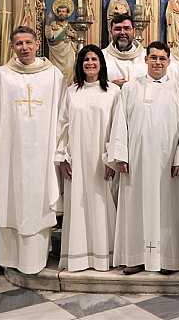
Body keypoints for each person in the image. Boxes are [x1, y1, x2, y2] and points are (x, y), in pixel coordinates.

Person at [0, 26, 65, 274]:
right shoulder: (1, 76)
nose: (24, 47)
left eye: (28, 42)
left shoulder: (54, 76)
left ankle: (37, 256)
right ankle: (12, 258)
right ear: (13, 47)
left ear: (38, 45)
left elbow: (61, 116)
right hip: (11, 155)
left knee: (38, 200)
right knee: (11, 198)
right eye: (19, 44)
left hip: (43, 154)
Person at [105, 41, 179, 275]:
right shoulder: (131, 88)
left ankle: (168, 259)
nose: (158, 62)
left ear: (169, 62)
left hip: (167, 162)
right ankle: (135, 257)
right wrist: (120, 155)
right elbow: (120, 122)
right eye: (153, 57)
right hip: (137, 162)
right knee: (135, 206)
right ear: (146, 60)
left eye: (162, 58)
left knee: (168, 209)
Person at [56, 44, 121, 272]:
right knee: (78, 205)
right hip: (77, 159)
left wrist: (112, 160)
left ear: (101, 63)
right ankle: (78, 257)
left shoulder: (113, 92)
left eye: (94, 59)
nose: (90, 63)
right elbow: (62, 126)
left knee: (101, 203)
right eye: (86, 59)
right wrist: (63, 157)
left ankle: (104, 256)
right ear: (80, 64)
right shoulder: (71, 92)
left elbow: (118, 128)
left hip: (101, 160)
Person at [102, 13, 147, 88]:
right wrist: (111, 86)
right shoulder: (102, 57)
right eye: (118, 29)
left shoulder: (146, 56)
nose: (122, 32)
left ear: (134, 31)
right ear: (110, 33)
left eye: (126, 28)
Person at [44, 2, 76, 84]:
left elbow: (79, 41)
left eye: (64, 11)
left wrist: (73, 35)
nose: (62, 13)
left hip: (68, 54)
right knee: (56, 76)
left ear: (67, 14)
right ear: (57, 13)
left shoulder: (71, 26)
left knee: (69, 74)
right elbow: (49, 36)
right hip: (56, 55)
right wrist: (48, 21)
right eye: (60, 11)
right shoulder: (53, 25)